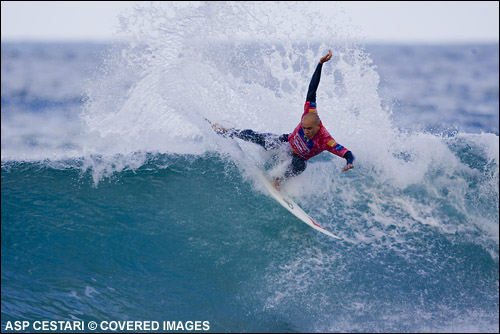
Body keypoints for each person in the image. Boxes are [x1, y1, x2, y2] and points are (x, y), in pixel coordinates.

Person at [213, 50, 355, 189]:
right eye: (304, 127)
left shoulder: (326, 140)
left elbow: (347, 153)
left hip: (298, 159)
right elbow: (312, 89)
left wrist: (350, 162)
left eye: (309, 129)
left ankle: (278, 180)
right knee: (259, 137)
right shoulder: (308, 112)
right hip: (286, 143)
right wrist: (320, 64)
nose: (306, 131)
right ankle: (230, 132)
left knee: (299, 166)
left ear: (318, 126)